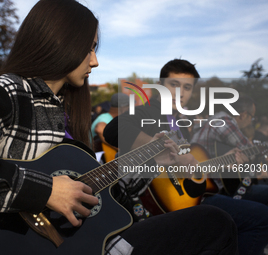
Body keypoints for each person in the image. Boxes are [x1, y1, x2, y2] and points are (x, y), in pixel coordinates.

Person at [0, 1, 238, 254]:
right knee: (215, 222)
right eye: (89, 48)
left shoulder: (62, 108)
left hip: (91, 239)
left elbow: (102, 195)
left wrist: (152, 160)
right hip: (21, 241)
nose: (95, 61)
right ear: (61, 42)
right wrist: (44, 190)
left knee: (213, 222)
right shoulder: (6, 91)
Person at [104, 59, 268, 255]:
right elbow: (114, 129)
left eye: (187, 87)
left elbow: (191, 169)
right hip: (154, 208)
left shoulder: (181, 124)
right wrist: (161, 149)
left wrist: (226, 161)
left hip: (190, 199)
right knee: (261, 218)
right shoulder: (148, 111)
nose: (180, 92)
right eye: (174, 84)